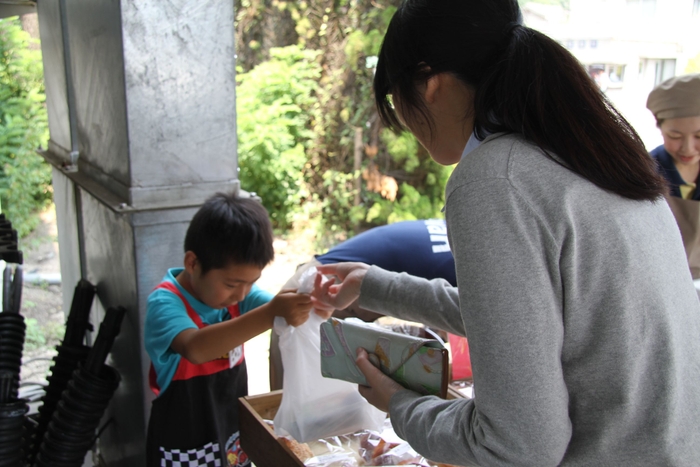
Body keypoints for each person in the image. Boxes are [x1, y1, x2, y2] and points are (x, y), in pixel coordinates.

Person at [312, 1, 700, 466]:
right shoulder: (595, 152)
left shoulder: (495, 178)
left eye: (396, 100)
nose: (405, 124)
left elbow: (515, 446)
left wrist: (400, 406)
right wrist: (375, 285)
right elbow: (523, 321)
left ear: (431, 84)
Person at [144, 192, 316, 467]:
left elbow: (278, 310)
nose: (241, 294)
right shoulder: (165, 303)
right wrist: (272, 312)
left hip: (232, 435)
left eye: (251, 283)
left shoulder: (238, 296)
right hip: (184, 444)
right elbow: (196, 348)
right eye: (232, 284)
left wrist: (310, 303)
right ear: (192, 263)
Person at [269, 219, 457, 390]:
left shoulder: (458, 233)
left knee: (337, 399)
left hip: (336, 278)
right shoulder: (468, 267)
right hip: (325, 284)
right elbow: (456, 329)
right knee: (292, 393)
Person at [646, 73, 700, 277]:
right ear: (660, 128)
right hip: (664, 278)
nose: (688, 148)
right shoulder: (647, 172)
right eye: (675, 136)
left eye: (699, 136)